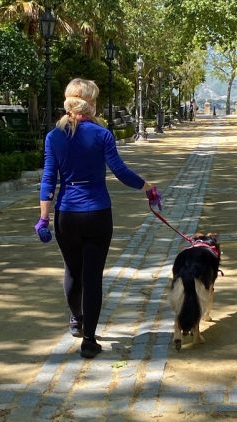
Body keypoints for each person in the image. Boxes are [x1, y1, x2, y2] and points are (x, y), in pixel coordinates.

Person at [34, 78, 162, 359]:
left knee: (72, 271)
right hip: (98, 214)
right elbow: (120, 171)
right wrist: (147, 187)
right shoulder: (102, 134)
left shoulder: (53, 137)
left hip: (66, 215)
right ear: (91, 103)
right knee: (92, 278)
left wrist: (43, 218)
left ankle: (76, 319)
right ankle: (89, 340)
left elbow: (48, 180)